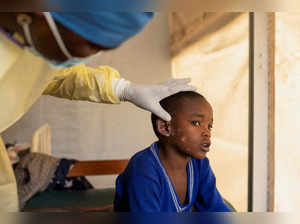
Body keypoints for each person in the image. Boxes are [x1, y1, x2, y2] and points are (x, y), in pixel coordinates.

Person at [0, 12, 196, 211]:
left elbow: (58, 76)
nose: (90, 56)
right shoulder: (145, 166)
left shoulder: (196, 168)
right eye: (93, 44)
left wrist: (123, 89)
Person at [114, 91, 231, 212]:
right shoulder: (143, 169)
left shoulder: (200, 164)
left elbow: (217, 209)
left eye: (209, 126)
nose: (207, 132)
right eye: (196, 123)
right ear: (165, 127)